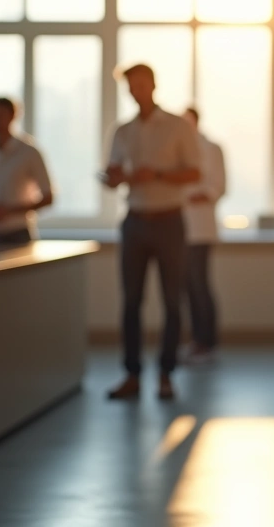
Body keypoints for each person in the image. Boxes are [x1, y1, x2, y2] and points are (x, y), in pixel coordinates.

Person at [102, 64, 201, 401]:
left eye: (141, 84)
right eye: (131, 86)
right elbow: (114, 173)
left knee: (172, 300)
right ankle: (132, 374)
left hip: (169, 221)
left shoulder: (176, 127)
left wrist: (156, 174)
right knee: (131, 301)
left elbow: (193, 173)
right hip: (135, 221)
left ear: (153, 85)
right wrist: (116, 176)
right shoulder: (123, 131)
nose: (136, 90)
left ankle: (166, 374)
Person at [0, 97, 54, 246]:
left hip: (19, 233)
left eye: (0, 115)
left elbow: (48, 197)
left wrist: (10, 211)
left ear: (13, 116)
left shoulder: (29, 153)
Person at [181, 107, 226, 363]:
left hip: (202, 228)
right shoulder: (179, 148)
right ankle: (197, 340)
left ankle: (207, 341)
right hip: (183, 229)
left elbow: (218, 185)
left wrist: (201, 195)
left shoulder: (212, 148)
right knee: (188, 286)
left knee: (200, 284)